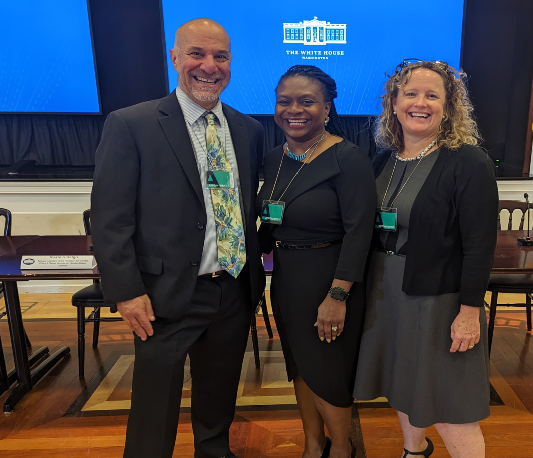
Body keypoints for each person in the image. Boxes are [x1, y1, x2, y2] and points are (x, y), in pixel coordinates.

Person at [91, 19, 265, 458]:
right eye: (197, 54)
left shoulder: (248, 131)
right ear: (174, 58)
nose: (209, 66)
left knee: (219, 400)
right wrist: (127, 292)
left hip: (232, 291)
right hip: (161, 297)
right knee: (154, 407)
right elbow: (110, 220)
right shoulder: (132, 124)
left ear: (231, 63)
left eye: (220, 56)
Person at [353, 60, 498, 458]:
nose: (421, 103)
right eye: (411, 94)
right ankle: (414, 451)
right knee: (402, 383)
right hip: (386, 290)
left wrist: (470, 312)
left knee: (450, 401)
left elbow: (480, 245)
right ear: (394, 103)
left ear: (449, 107)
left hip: (438, 299)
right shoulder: (383, 158)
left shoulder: (468, 162)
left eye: (432, 95)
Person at [257, 65, 376, 458]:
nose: (295, 109)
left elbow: (361, 232)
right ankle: (313, 444)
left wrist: (338, 295)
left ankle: (343, 448)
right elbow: (272, 219)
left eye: (307, 101)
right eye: (285, 101)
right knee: (300, 367)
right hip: (288, 279)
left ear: (327, 108)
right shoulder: (275, 157)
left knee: (327, 372)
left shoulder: (349, 158)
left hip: (330, 281)